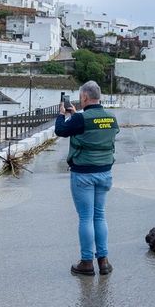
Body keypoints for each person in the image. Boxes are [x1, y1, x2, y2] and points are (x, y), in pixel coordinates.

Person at [55, 81, 119, 276]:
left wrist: (62, 114)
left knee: (86, 218)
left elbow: (60, 130)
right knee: (100, 215)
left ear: (84, 97)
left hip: (83, 174)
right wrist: (75, 116)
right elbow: (95, 128)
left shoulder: (81, 119)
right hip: (105, 172)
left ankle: (86, 262)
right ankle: (104, 261)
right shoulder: (111, 118)